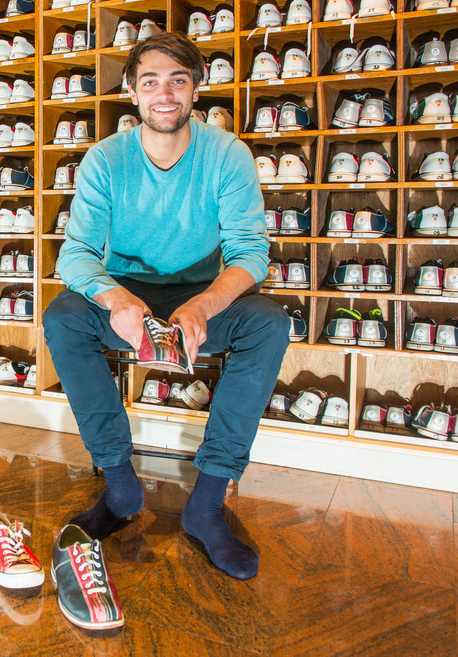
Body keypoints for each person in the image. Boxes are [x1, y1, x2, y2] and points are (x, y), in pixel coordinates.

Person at [44, 32, 289, 580]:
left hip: (201, 295)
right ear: (131, 91)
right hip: (127, 290)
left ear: (196, 90)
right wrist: (115, 299)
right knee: (62, 318)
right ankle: (119, 483)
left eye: (178, 80)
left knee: (270, 325)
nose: (165, 93)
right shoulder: (105, 159)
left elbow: (250, 254)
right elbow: (77, 253)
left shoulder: (228, 154)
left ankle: (207, 503)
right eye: (150, 81)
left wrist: (203, 306)